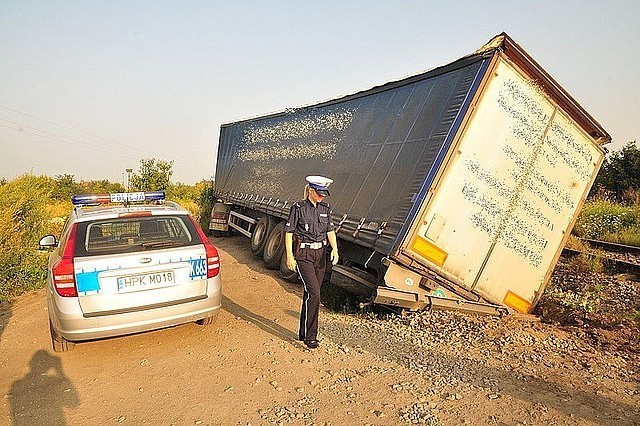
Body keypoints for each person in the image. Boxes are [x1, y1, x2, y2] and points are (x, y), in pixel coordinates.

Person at [284, 175, 339, 349]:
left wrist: (335, 249)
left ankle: (302, 332)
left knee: (310, 295)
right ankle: (311, 336)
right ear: (311, 191)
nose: (323, 196)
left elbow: (330, 231)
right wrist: (289, 256)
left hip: (321, 255)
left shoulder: (326, 208)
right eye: (320, 193)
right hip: (304, 255)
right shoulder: (298, 208)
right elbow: (289, 232)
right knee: (315, 293)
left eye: (324, 193)